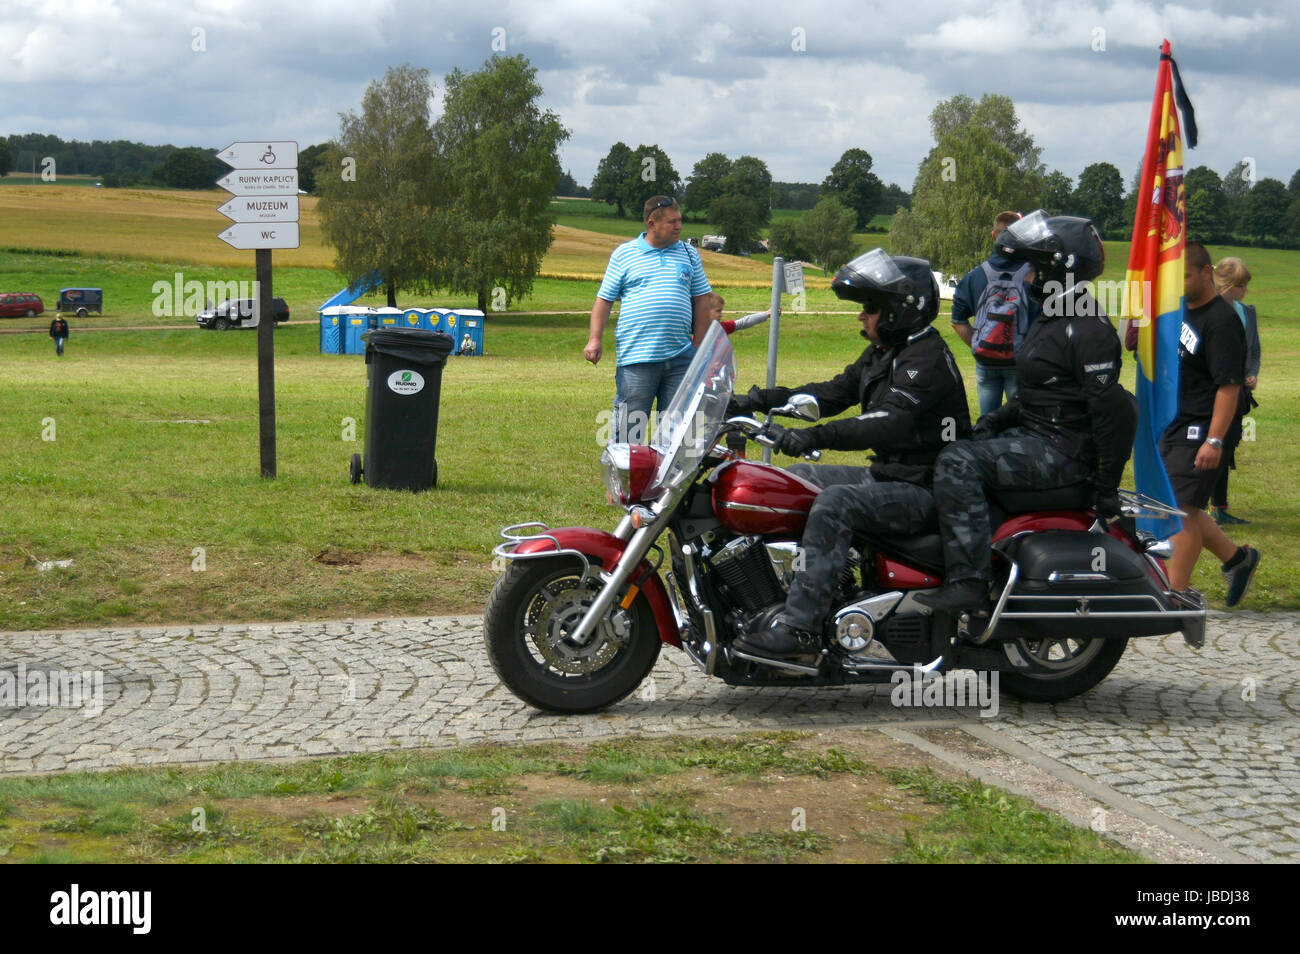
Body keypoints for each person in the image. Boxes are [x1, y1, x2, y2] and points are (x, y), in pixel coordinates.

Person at [725, 250, 972, 659]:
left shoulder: (923, 359)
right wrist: (754, 400)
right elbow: (833, 392)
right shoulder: (886, 351)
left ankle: (800, 629)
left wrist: (812, 436)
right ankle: (786, 592)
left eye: (871, 308)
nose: (862, 316)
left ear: (899, 311)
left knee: (835, 503)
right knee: (794, 481)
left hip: (924, 485)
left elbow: (886, 422)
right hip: (890, 475)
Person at [918, 211, 1136, 615]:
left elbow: (1113, 411)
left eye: (1035, 268)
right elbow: (1039, 392)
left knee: (957, 462)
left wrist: (1106, 487)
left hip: (1063, 452)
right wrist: (994, 421)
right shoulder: (1053, 317)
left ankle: (969, 582)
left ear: (1060, 270)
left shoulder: (1086, 328)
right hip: (1037, 438)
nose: (1028, 277)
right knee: (948, 447)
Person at [1160, 243, 1259, 606]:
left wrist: (1214, 441)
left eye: (1185, 275)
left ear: (1205, 274)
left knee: (1180, 511)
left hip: (1204, 428)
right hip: (1175, 421)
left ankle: (1174, 596)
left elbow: (1229, 387)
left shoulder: (1221, 321)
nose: (1179, 283)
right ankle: (1239, 559)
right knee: (1179, 504)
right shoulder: (1179, 309)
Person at [585, 196, 713, 443]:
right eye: (672, 221)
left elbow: (701, 299)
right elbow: (604, 301)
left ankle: (665, 482)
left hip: (681, 357)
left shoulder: (688, 253)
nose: (679, 226)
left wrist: (699, 345)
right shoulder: (624, 254)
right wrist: (594, 340)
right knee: (630, 428)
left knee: (676, 433)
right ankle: (628, 478)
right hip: (637, 357)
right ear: (652, 223)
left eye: (680, 220)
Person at [950, 211, 1039, 415]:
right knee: (1021, 423)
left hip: (986, 361)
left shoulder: (974, 276)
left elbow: (957, 321)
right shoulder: (1035, 277)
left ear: (993, 235)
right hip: (1020, 362)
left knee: (988, 422)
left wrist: (981, 342)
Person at [1208, 256, 1260, 526]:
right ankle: (1201, 503)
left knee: (1227, 447)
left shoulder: (1246, 311)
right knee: (1214, 445)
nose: (1245, 291)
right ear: (1227, 285)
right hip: (1214, 392)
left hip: (1239, 393)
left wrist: (1252, 372)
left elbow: (1254, 351)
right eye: (1241, 285)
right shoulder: (1208, 311)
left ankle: (1219, 505)